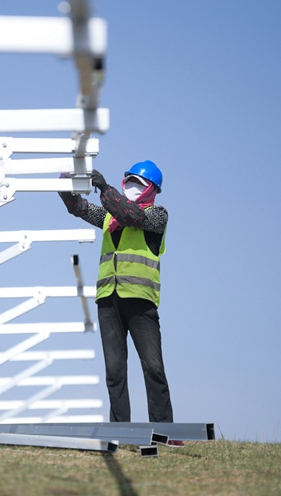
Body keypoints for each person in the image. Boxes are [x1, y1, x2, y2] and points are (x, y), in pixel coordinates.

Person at [59, 161, 178, 432]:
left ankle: (165, 431)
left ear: (153, 190)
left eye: (140, 182)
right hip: (108, 299)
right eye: (130, 181)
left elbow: (131, 216)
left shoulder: (158, 216)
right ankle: (120, 431)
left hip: (139, 299)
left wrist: (102, 186)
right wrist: (64, 184)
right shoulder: (109, 218)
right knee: (114, 372)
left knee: (153, 368)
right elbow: (79, 208)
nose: (133, 187)